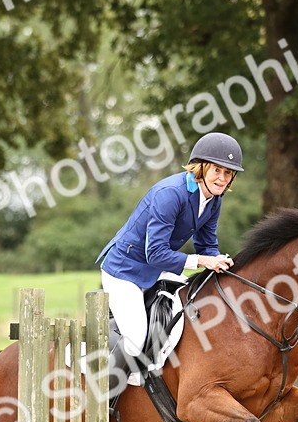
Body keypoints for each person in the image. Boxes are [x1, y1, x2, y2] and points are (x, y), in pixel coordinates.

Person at [95, 132, 243, 388]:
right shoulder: (170, 194)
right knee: (136, 336)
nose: (222, 178)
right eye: (217, 170)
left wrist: (220, 262)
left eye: (228, 173)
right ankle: (103, 396)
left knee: (190, 312)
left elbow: (207, 245)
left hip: (158, 270)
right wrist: (202, 262)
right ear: (201, 167)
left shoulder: (213, 200)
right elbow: (156, 253)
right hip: (125, 271)